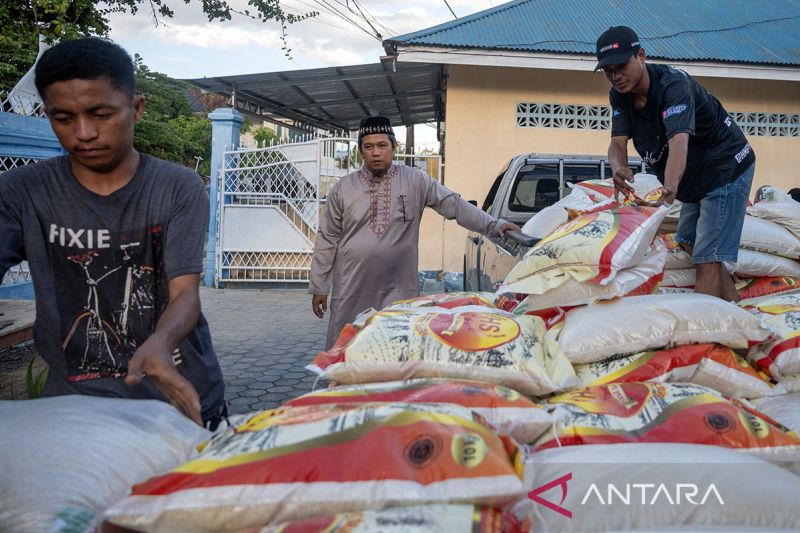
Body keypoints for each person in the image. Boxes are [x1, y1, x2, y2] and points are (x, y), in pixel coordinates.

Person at [0, 38, 226, 428]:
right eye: (63, 118)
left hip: (179, 399)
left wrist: (160, 342)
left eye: (100, 114)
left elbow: (185, 293)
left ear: (136, 109)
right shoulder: (21, 192)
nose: (83, 133)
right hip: (77, 409)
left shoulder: (177, 187)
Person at [309, 116, 519, 347]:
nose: (376, 152)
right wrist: (319, 286)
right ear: (361, 151)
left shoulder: (415, 180)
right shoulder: (343, 188)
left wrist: (493, 224)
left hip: (398, 288)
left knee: (397, 346)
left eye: (382, 145)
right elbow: (327, 238)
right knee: (346, 348)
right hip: (352, 287)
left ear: (393, 147)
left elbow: (453, 204)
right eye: (369, 147)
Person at [597, 26, 756, 301]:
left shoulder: (673, 86)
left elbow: (678, 143)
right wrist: (618, 167)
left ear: (641, 55)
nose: (615, 76)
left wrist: (668, 192)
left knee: (707, 257)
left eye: (621, 66)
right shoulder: (619, 96)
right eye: (608, 71)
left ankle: (702, 336)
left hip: (726, 167)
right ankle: (734, 308)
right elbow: (617, 142)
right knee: (689, 241)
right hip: (695, 177)